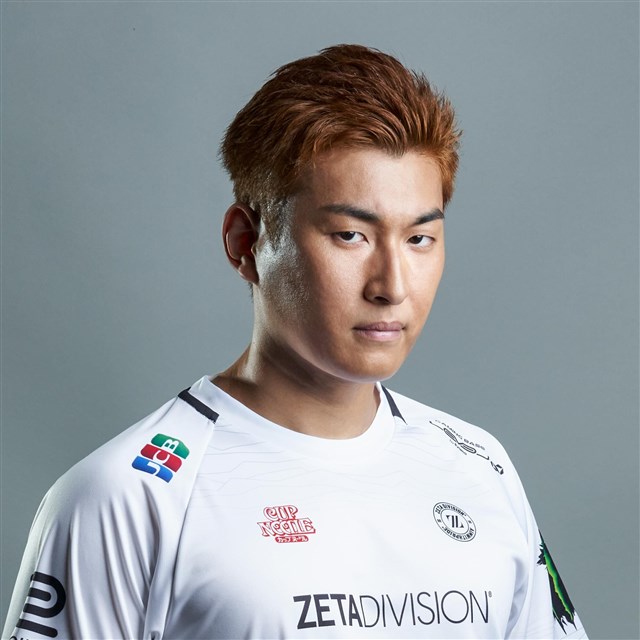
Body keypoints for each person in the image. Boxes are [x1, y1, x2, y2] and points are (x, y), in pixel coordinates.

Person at [3, 44, 587, 640]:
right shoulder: (126, 496)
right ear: (245, 243)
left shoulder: (480, 468)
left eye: (419, 239)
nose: (392, 286)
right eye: (351, 235)